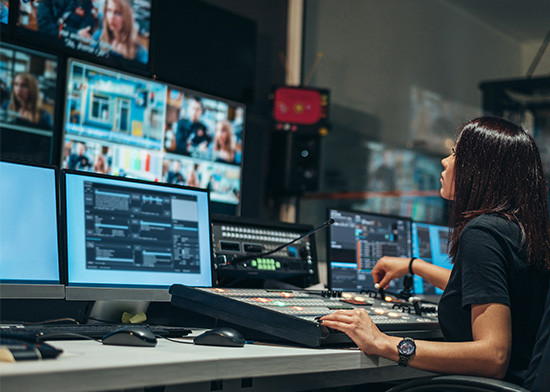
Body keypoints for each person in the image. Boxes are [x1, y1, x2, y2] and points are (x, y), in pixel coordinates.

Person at [320, 117, 550, 386]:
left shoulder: (482, 232)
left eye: (455, 153)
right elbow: (488, 288)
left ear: (479, 169)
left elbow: (493, 356)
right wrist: (413, 266)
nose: (445, 161)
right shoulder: (521, 229)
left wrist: (383, 342)